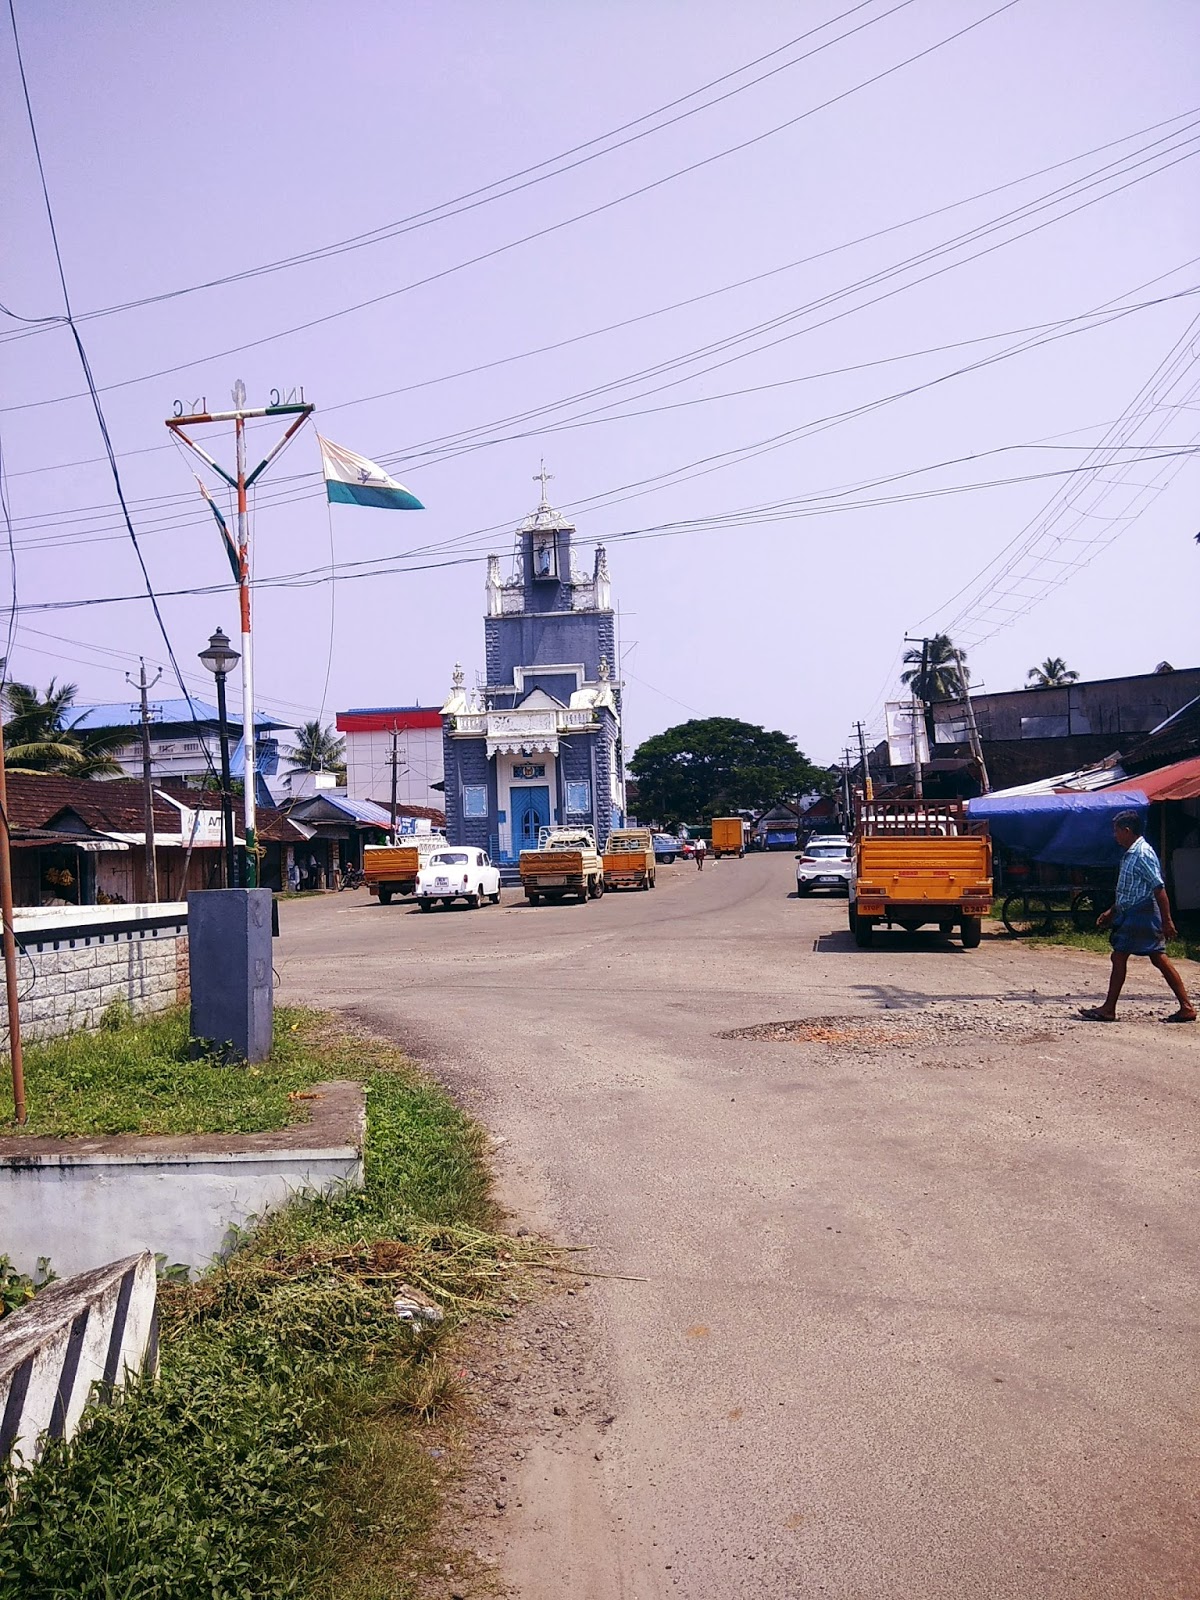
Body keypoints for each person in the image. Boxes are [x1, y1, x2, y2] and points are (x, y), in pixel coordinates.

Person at [1079, 810, 1195, 1023]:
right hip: (1133, 911)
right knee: (1154, 957)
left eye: (1116, 831)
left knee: (1122, 956)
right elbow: (1129, 890)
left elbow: (1159, 888)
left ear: (1127, 830)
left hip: (1143, 912)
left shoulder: (1142, 853)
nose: (1115, 836)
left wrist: (1167, 921)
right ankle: (1186, 1006)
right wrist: (1112, 911)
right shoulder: (1131, 853)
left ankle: (1109, 1009)